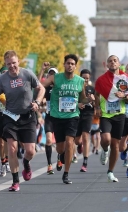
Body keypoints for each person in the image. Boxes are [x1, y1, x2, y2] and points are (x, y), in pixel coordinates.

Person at [0, 50, 46, 192]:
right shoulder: (2, 79)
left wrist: (37, 102)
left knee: (30, 151)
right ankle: (15, 181)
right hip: (10, 117)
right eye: (8, 64)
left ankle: (26, 163)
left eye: (14, 63)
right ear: (5, 64)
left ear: (18, 62)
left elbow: (41, 88)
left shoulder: (27, 74)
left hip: (27, 117)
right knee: (12, 148)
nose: (11, 66)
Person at [42, 54, 88, 184]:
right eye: (68, 63)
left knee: (69, 143)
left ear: (75, 66)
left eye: (72, 64)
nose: (70, 65)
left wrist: (89, 99)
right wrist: (42, 71)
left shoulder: (80, 81)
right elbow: (40, 86)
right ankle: (61, 156)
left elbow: (82, 98)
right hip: (57, 116)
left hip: (72, 116)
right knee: (60, 149)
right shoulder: (55, 78)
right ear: (64, 64)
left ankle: (66, 173)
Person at [94, 55, 128, 182]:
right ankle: (105, 150)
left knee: (115, 145)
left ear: (118, 63)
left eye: (115, 61)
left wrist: (123, 95)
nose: (113, 63)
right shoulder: (101, 79)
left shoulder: (125, 78)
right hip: (106, 114)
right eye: (110, 61)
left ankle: (110, 172)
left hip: (119, 114)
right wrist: (97, 107)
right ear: (107, 64)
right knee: (106, 139)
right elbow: (96, 94)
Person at [37, 63, 58, 175]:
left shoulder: (60, 87)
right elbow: (37, 84)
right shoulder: (46, 88)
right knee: (49, 140)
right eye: (50, 74)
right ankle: (49, 164)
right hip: (50, 116)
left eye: (53, 74)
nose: (51, 76)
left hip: (60, 117)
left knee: (61, 143)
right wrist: (42, 69)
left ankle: (60, 158)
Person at [75, 69, 96, 173]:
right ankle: (79, 145)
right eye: (83, 78)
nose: (85, 80)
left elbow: (97, 104)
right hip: (77, 114)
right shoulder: (76, 88)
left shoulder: (92, 89)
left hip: (88, 114)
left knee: (85, 136)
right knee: (76, 140)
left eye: (87, 78)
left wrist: (93, 100)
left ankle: (85, 162)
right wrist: (80, 103)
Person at [0, 66, 10, 176]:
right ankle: (3, 162)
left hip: (9, 115)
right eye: (3, 73)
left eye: (6, 72)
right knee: (0, 142)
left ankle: (8, 161)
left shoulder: (12, 86)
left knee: (8, 140)